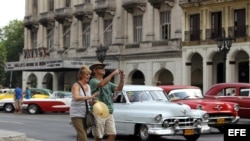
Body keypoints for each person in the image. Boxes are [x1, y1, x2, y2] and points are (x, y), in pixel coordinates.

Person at [89, 62, 125, 141]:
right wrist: (113, 74)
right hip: (98, 111)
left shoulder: (108, 82)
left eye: (103, 68)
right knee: (99, 136)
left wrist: (122, 79)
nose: (103, 69)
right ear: (95, 70)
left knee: (113, 134)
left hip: (109, 111)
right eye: (101, 68)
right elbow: (101, 84)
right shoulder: (93, 81)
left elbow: (119, 89)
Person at [70, 65, 99, 141]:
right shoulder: (76, 85)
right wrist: (91, 96)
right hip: (76, 114)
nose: (88, 76)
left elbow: (89, 102)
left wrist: (93, 102)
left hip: (85, 113)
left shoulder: (88, 86)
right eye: (86, 74)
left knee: (81, 136)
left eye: (89, 74)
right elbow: (76, 97)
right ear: (81, 75)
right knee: (83, 135)